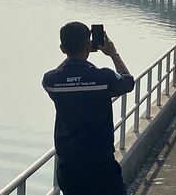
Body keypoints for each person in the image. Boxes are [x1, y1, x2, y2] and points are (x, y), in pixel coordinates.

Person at [42, 22, 135, 195]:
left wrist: (73, 56)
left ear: (62, 48)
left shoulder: (51, 81)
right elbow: (128, 82)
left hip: (68, 168)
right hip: (100, 165)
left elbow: (60, 72)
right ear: (88, 45)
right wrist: (113, 54)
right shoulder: (103, 77)